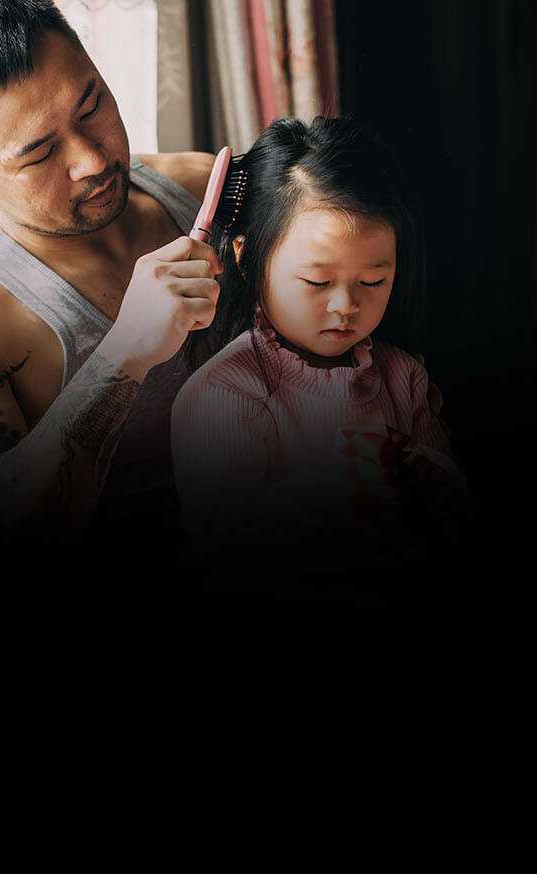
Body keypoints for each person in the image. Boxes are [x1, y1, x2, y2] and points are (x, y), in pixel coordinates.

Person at [0, 0, 220, 556]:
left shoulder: (200, 184)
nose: (91, 159)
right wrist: (126, 352)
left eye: (91, 107)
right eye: (39, 153)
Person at [170, 117, 472, 589]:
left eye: (373, 282)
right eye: (317, 281)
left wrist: (435, 483)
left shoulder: (403, 379)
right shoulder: (224, 396)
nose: (346, 306)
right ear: (247, 255)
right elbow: (226, 560)